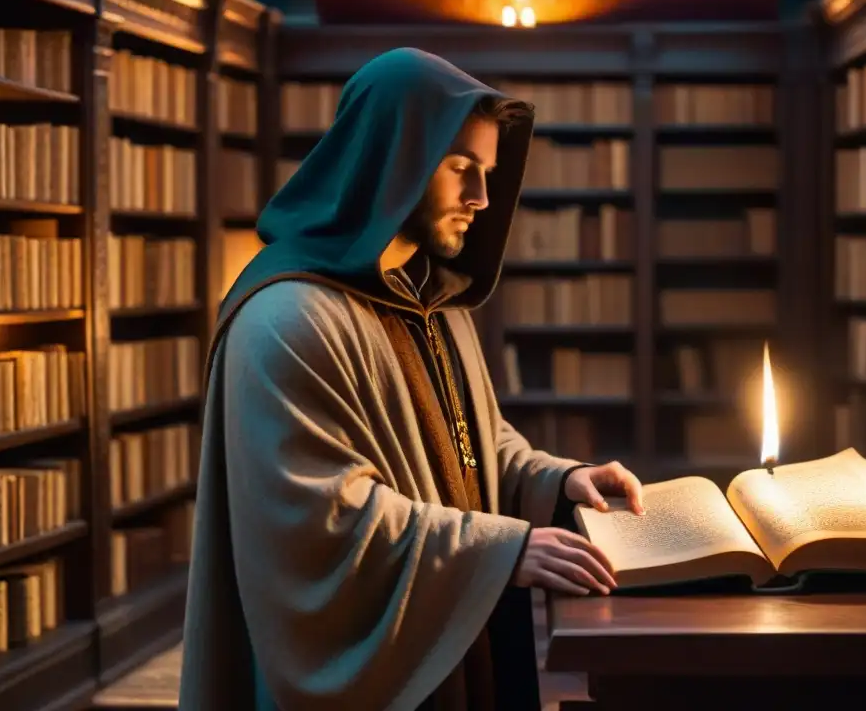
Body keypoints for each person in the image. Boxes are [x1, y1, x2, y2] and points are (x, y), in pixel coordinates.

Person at [178, 47, 645, 711]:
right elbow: (322, 522)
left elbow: (468, 443)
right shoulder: (285, 318)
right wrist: (500, 550)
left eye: (486, 171)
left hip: (453, 639)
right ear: (391, 161)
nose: (482, 198)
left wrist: (555, 480)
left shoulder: (427, 295)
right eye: (461, 169)